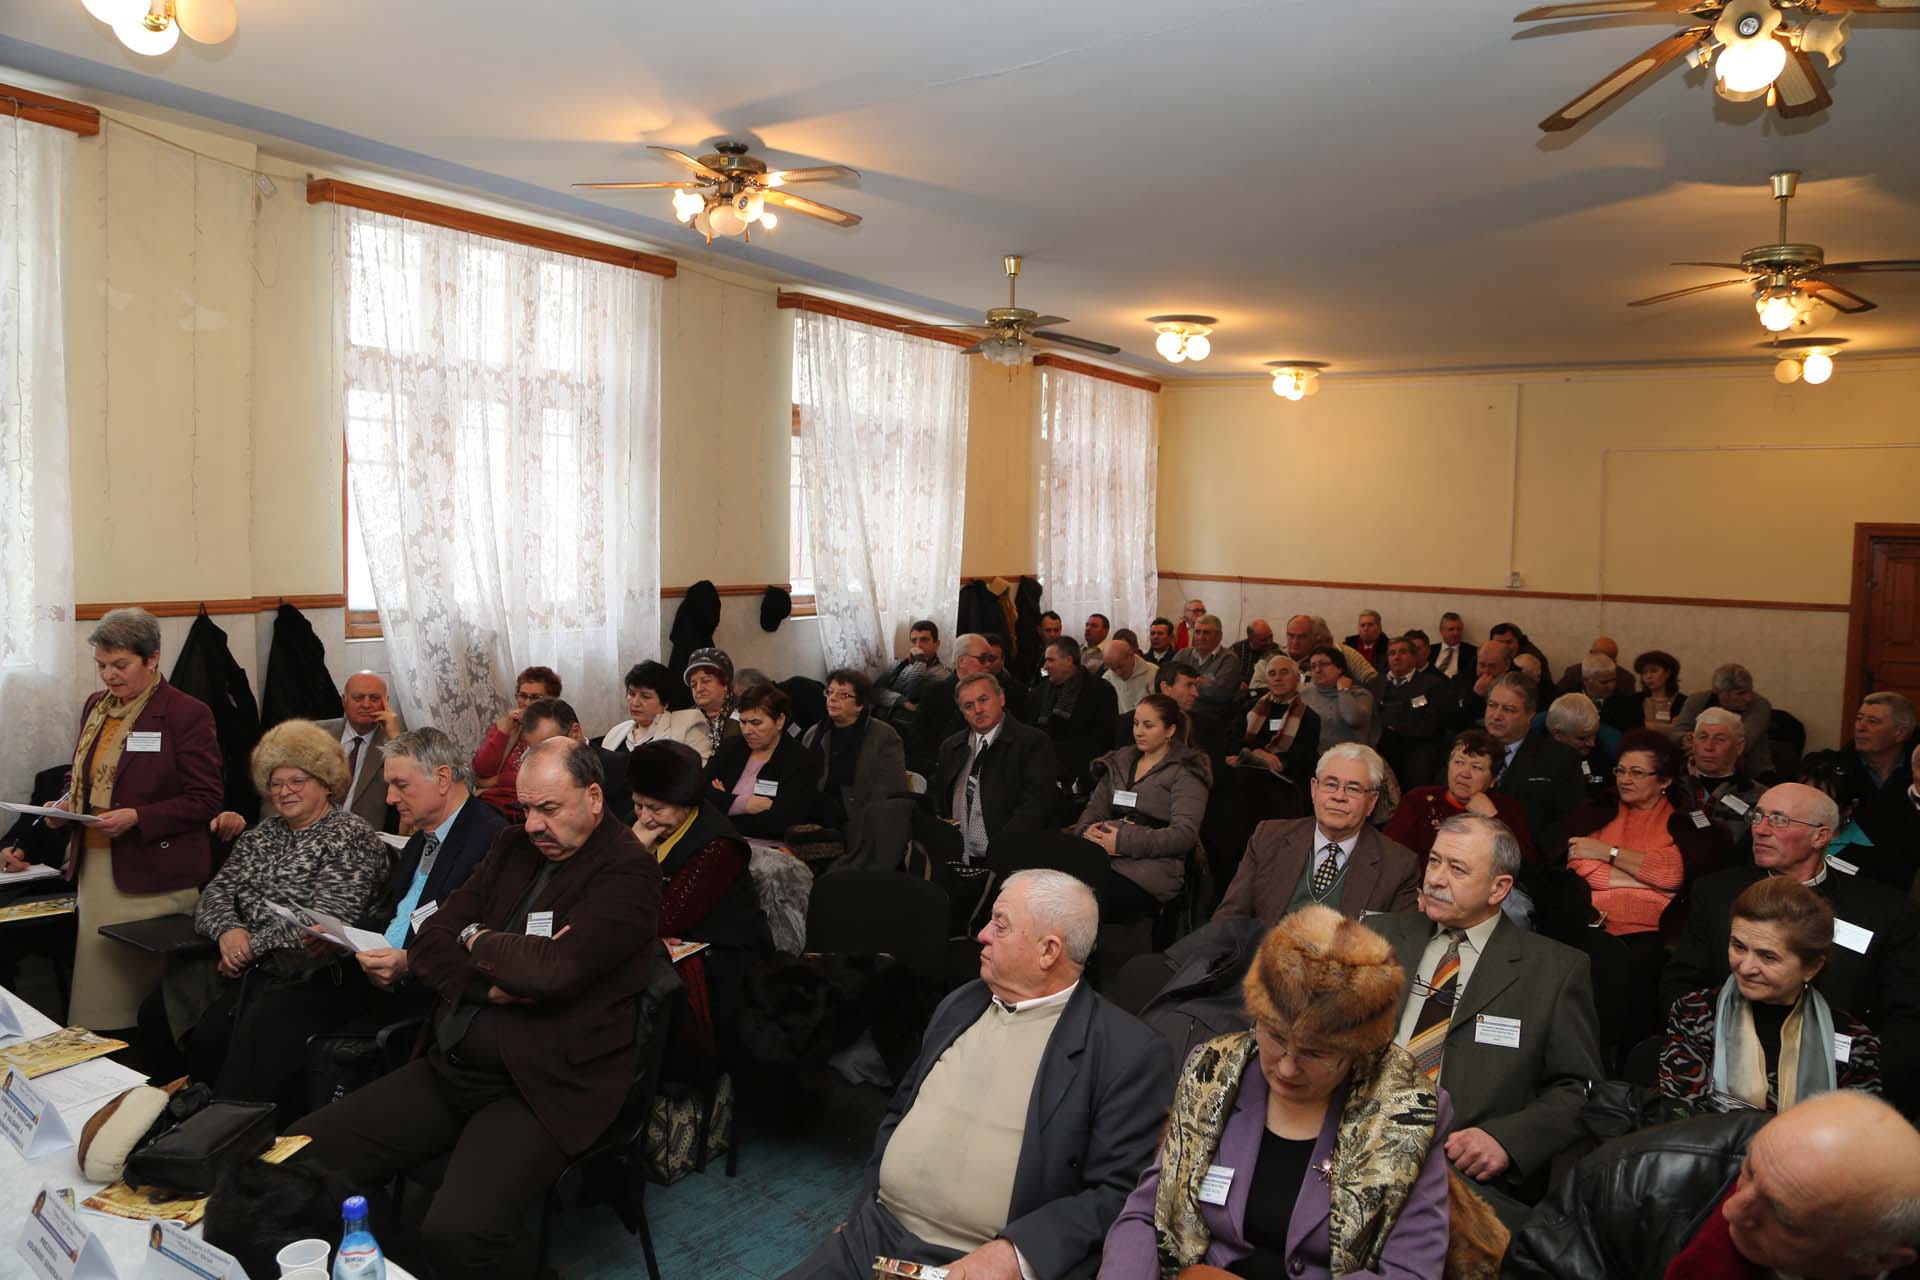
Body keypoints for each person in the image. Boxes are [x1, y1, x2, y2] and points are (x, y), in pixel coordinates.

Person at [289, 739, 661, 1280]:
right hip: (452, 1064)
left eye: (549, 808)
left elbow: (549, 972)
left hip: (542, 1086)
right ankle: (397, 1262)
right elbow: (429, 939)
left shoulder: (628, 873)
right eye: (526, 808)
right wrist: (486, 976)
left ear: (595, 797)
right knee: (302, 1155)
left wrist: (474, 938)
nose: (534, 825)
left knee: (457, 1235)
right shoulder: (512, 845)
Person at [783, 871, 1174, 1280]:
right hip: (872, 1234)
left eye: (1000, 925)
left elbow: (1119, 1193)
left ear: (1048, 951)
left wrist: (1015, 1255)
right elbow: (901, 1111)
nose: (982, 935)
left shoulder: (1126, 1053)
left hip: (975, 1262)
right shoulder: (962, 1002)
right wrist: (864, 1206)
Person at [1100, 905, 1467, 1280]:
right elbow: (1148, 1213)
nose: (1288, 1068)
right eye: (1275, 1038)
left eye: (1315, 1053)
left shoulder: (1406, 1112)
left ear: (1357, 1050)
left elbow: (1410, 1271)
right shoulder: (1213, 1071)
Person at [1367, 815, 1603, 1225]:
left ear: (1499, 888)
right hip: (1357, 1147)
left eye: (1457, 869)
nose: (1435, 879)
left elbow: (1578, 1090)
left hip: (1460, 1181)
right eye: (1435, 861)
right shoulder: (1377, 936)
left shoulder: (1553, 970)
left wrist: (1507, 1141)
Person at [156, 720, 388, 1110]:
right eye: (276, 782)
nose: (284, 791)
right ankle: (184, 1112)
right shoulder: (263, 834)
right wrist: (229, 931)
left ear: (326, 783)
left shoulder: (349, 835)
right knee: (159, 1013)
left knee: (231, 1036)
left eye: (297, 780)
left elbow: (327, 921)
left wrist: (249, 948)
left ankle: (226, 1124)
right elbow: (214, 895)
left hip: (313, 975)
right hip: (253, 968)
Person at [1660, 782, 1920, 1112]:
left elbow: (1907, 1018)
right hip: (1721, 1068)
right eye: (1758, 817)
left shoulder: (1882, 910)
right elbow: (1679, 985)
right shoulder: (1716, 894)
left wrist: (1859, 1069)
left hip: (1842, 1083)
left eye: (1779, 820)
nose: (1760, 829)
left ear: (1821, 836)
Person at [1504, 1091, 1920, 1280]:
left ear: (1878, 1259)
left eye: (1781, 1216)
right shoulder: (1630, 1178)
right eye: (1750, 1171)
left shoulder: (1890, 1235)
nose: (1733, 1209)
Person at [50, 608, 224, 1033]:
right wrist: (65, 806)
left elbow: (206, 799)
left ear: (153, 658)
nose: (109, 676)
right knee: (99, 997)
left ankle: (144, 1064)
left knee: (140, 1003)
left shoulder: (186, 713)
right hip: (96, 868)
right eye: (102, 665)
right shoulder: (96, 707)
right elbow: (84, 776)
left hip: (154, 875)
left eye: (120, 665)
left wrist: (138, 817)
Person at [1659, 876, 1880, 1113]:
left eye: (1768, 957)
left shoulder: (1855, 1043)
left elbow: (1856, 1130)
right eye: (1738, 947)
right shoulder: (1695, 1015)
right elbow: (1681, 1119)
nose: (1745, 968)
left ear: (1811, 967)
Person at [1567, 728, 1727, 1041]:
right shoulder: (1598, 811)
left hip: (1654, 930)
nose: (1625, 779)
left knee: (1636, 973)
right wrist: (1647, 881)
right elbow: (1579, 866)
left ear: (1664, 781)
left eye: (1637, 773)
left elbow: (1672, 875)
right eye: (1621, 770)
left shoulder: (1681, 821)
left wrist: (1606, 852)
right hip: (1592, 922)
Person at [350, 727, 507, 1015]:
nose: (390, 798)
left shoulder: (491, 839)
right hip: (380, 986)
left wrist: (409, 962)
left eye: (401, 785)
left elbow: (482, 943)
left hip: (432, 1002)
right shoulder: (420, 839)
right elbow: (395, 916)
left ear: (443, 779)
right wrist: (342, 935)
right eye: (389, 786)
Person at [630, 742, 772, 1057]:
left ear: (686, 804)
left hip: (724, 955)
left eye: (656, 809)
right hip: (672, 942)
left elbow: (666, 919)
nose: (644, 818)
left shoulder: (718, 845)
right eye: (639, 805)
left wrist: (632, 857)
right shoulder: (646, 825)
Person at [1215, 744, 1421, 923]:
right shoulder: (1268, 837)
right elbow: (1229, 920)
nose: (1339, 796)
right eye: (1331, 784)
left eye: (1353, 789)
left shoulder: (1398, 866)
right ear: (1314, 789)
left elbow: (1397, 948)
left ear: (1372, 801)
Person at [1072, 694, 1210, 924]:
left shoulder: (1186, 771)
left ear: (1169, 730)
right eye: (1136, 724)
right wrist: (1087, 832)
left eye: (1148, 725)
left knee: (1083, 900)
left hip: (1152, 868)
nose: (1138, 732)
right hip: (1100, 855)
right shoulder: (1120, 761)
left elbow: (1184, 835)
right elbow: (1094, 810)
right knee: (1055, 886)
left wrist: (1122, 842)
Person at [929, 672, 1059, 862]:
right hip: (958, 854)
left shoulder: (1032, 742)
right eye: (968, 706)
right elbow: (937, 792)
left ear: (1001, 698)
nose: (978, 709)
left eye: (983, 700)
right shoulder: (952, 746)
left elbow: (1038, 802)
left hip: (1011, 853)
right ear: (962, 712)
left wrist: (1004, 846)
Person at [1383, 730, 1536, 863]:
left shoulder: (1508, 809)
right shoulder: (1418, 800)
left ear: (1493, 780)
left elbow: (1524, 863)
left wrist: (1493, 818)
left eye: (1476, 767)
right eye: (1459, 762)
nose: (1464, 773)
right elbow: (1391, 853)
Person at [1482, 673, 1584, 858]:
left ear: (1530, 714)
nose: (1496, 716)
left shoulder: (1560, 759)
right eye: (1492, 705)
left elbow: (1566, 826)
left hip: (1529, 860)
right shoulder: (1467, 748)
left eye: (1508, 709)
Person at [706, 683, 820, 840]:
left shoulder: (799, 760)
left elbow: (783, 820)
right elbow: (699, 790)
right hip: (718, 837)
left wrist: (723, 801)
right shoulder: (731, 747)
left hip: (767, 844)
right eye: (743, 722)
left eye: (756, 723)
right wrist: (744, 804)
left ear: (779, 721)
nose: (747, 731)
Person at [314, 672, 403, 834]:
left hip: (365, 837)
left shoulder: (395, 743)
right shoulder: (315, 734)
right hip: (313, 832)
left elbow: (408, 784)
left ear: (386, 702)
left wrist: (395, 737)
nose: (366, 704)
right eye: (358, 698)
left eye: (375, 698)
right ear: (344, 701)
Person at [472, 665, 563, 818]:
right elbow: (481, 770)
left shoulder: (555, 731)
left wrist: (496, 780)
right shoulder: (506, 726)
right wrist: (503, 732)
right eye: (522, 696)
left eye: (535, 697)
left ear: (551, 701)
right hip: (489, 803)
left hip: (525, 809)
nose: (527, 703)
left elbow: (539, 777)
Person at [1032, 638, 1121, 787]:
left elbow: (1104, 741)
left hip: (1083, 773)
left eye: (1050, 660)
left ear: (1068, 660)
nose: (1045, 666)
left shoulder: (1101, 691)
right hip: (1041, 770)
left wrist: (1053, 751)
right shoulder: (1040, 692)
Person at [1677, 707, 1764, 849]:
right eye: (1702, 737)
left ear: (1739, 746)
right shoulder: (1670, 785)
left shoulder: (1759, 796)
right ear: (1693, 743)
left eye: (1720, 739)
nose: (1709, 747)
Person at [1229, 655, 1321, 786]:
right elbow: (1232, 740)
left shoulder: (1309, 717)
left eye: (1284, 672)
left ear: (1296, 679)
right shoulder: (1249, 708)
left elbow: (1303, 757)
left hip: (1283, 781)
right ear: (1267, 681)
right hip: (1244, 772)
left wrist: (1260, 759)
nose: (1277, 678)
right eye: (1272, 674)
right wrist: (1257, 753)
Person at [1674, 663, 1775, 779]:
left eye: (1750, 691)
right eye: (1740, 693)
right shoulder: (1697, 700)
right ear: (1719, 692)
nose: (1749, 698)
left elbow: (1742, 743)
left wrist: (1700, 743)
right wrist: (1684, 739)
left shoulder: (1760, 705)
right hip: (1696, 774)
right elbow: (1676, 733)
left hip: (1753, 775)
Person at [1376, 635, 1451, 788]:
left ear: (1414, 656)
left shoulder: (1432, 684)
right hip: (1381, 748)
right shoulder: (1375, 684)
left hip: (1416, 750)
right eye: (1392, 653)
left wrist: (1397, 729)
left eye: (1402, 652)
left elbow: (1434, 723)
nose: (1397, 657)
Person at [1847, 691, 1919, 850]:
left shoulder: (1917, 773)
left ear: (1901, 733)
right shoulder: (1838, 769)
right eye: (1859, 719)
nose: (1860, 727)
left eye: (1872, 721)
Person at [599, 660, 701, 755]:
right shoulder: (616, 732)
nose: (635, 703)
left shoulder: (686, 728)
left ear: (665, 703)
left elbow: (697, 767)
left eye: (645, 696)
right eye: (631, 694)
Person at [1539, 693, 1616, 798]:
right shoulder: (1531, 757)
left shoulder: (1607, 751)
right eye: (1582, 738)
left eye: (1594, 735)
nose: (1592, 743)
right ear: (1557, 734)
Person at [1300, 645, 1375, 752]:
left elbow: (1354, 719)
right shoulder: (1304, 694)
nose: (1317, 670)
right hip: (1312, 757)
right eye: (1313, 666)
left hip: (1349, 757)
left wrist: (1343, 691)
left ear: (1339, 668)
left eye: (1323, 664)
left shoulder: (1360, 694)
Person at [874, 620, 953, 710]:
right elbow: (875, 692)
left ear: (936, 645)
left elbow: (910, 693)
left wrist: (920, 661)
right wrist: (901, 701)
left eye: (924, 640)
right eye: (914, 641)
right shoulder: (899, 664)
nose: (918, 645)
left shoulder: (942, 675)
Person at [679, 647, 741, 763]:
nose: (699, 689)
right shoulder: (686, 719)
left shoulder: (745, 711)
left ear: (725, 683)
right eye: (693, 684)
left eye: (706, 681)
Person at [1183, 614, 1243, 733]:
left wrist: (1185, 684)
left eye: (1206, 633)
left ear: (1219, 636)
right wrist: (1201, 681)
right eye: (1197, 632)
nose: (1201, 637)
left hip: (1211, 720)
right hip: (1182, 713)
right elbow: (1167, 680)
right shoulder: (1183, 654)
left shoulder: (1229, 659)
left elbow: (1219, 692)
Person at [1631, 649, 1685, 735]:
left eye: (1654, 671)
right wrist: (1668, 727)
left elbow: (1682, 730)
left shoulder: (1684, 702)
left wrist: (1647, 725)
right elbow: (1631, 727)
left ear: (1668, 673)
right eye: (1644, 673)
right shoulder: (1634, 700)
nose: (1649, 676)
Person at [1100, 635, 1157, 713]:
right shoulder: (1106, 679)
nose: (1118, 673)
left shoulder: (1153, 672)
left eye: (1120, 666)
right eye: (1112, 669)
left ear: (1130, 655)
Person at [1428, 611, 1477, 684]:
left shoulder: (1473, 652)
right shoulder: (1429, 650)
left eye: (1459, 629)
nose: (1456, 633)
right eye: (1451, 629)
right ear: (1441, 631)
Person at [1230, 618, 1279, 688]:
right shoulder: (1236, 650)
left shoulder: (1276, 651)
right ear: (1251, 639)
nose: (1269, 642)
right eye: (1263, 640)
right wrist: (1237, 682)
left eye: (1271, 637)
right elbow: (1226, 674)